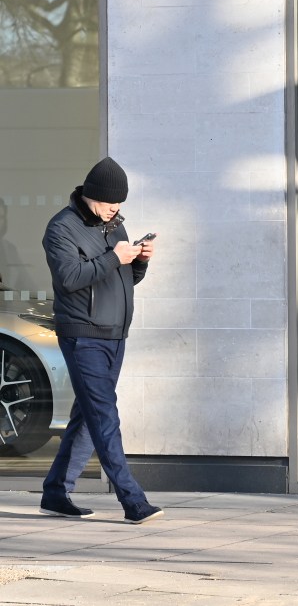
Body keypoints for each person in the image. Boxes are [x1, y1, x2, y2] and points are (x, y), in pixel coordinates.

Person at [37, 156, 164, 525]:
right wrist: (114, 257)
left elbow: (122, 279)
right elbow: (69, 279)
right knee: (105, 416)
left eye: (120, 202)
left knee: (88, 416)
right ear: (91, 195)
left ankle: (56, 492)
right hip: (83, 335)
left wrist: (138, 261)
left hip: (114, 334)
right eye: (111, 202)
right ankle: (133, 501)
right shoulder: (61, 227)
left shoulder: (115, 225)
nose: (116, 208)